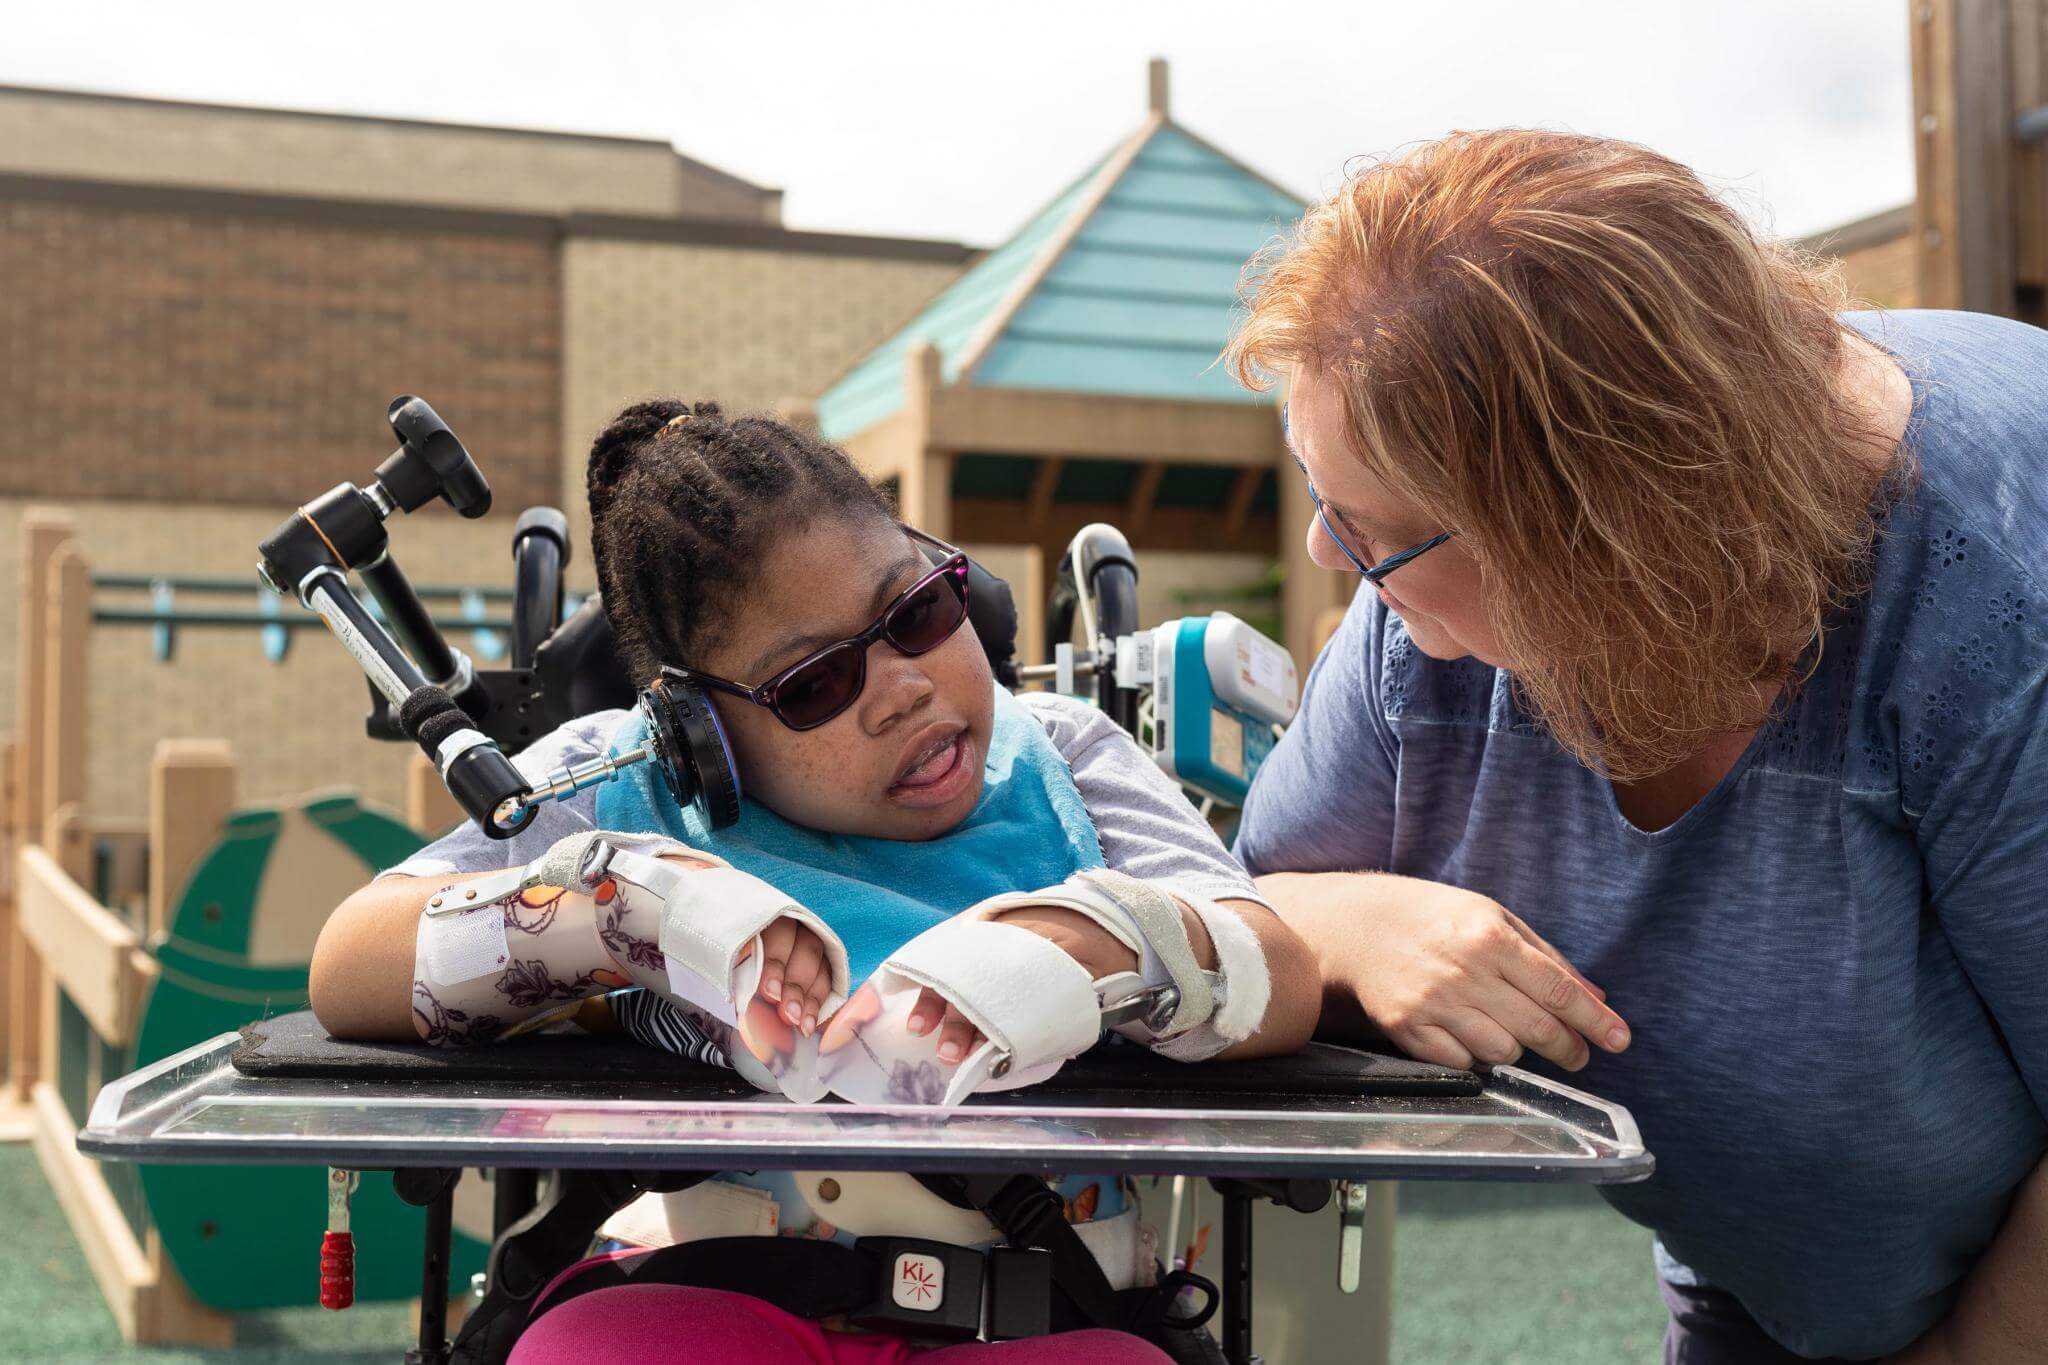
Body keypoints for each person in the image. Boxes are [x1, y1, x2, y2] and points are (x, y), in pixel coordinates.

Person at [1225, 129, 2048, 1363]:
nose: (1326, 561)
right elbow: (1243, 922)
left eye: (1372, 532)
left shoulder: (1993, 619)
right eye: (1321, 498)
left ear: (1598, 540)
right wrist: (1351, 926)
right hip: (1760, 1280)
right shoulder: (1414, 627)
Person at [310, 400, 1319, 1364]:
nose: (903, 689)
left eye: (918, 612)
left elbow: (1273, 967)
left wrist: (1093, 943)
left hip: (1036, 1302)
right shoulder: (617, 783)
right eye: (816, 684)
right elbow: (351, 960)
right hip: (693, 1295)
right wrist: (614, 913)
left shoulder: (1064, 761)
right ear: (697, 732)